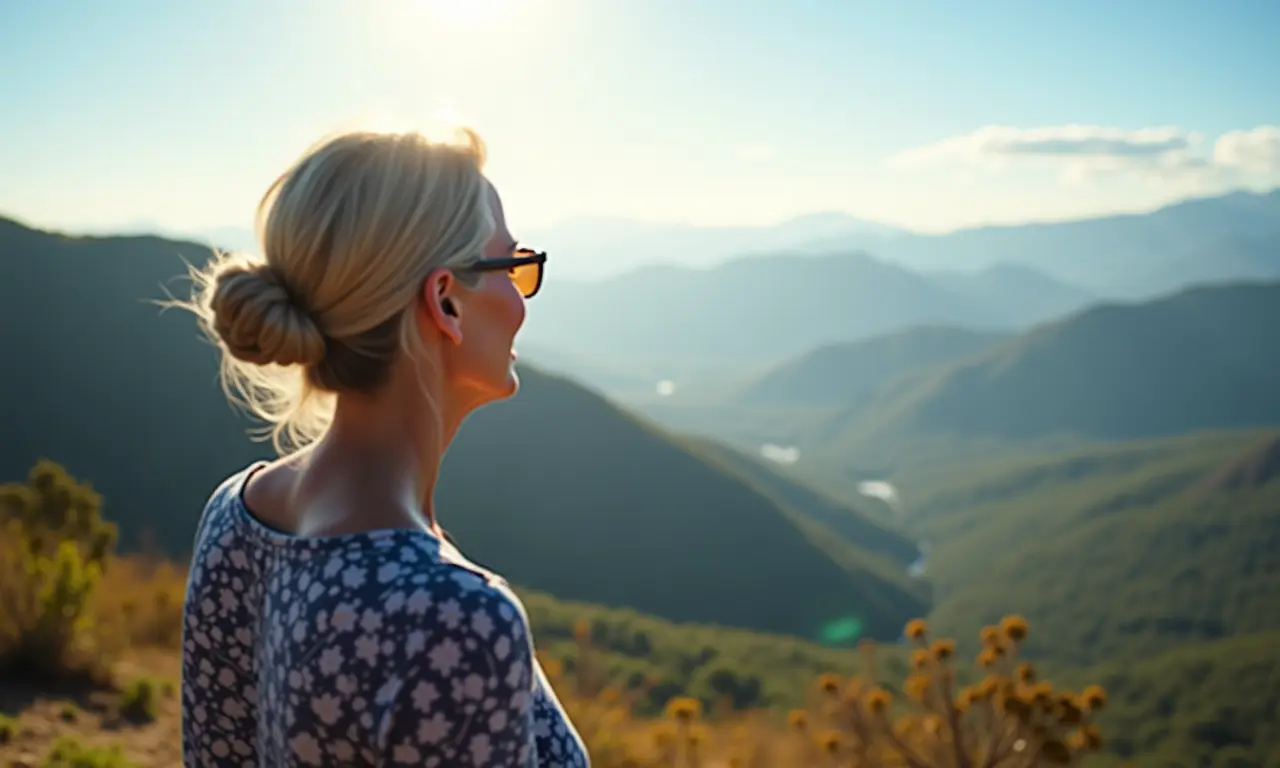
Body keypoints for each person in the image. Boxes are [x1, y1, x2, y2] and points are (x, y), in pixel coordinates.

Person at [174, 128, 589, 767]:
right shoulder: (453, 619)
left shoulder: (237, 516)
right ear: (445, 301)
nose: (520, 298)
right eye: (512, 266)